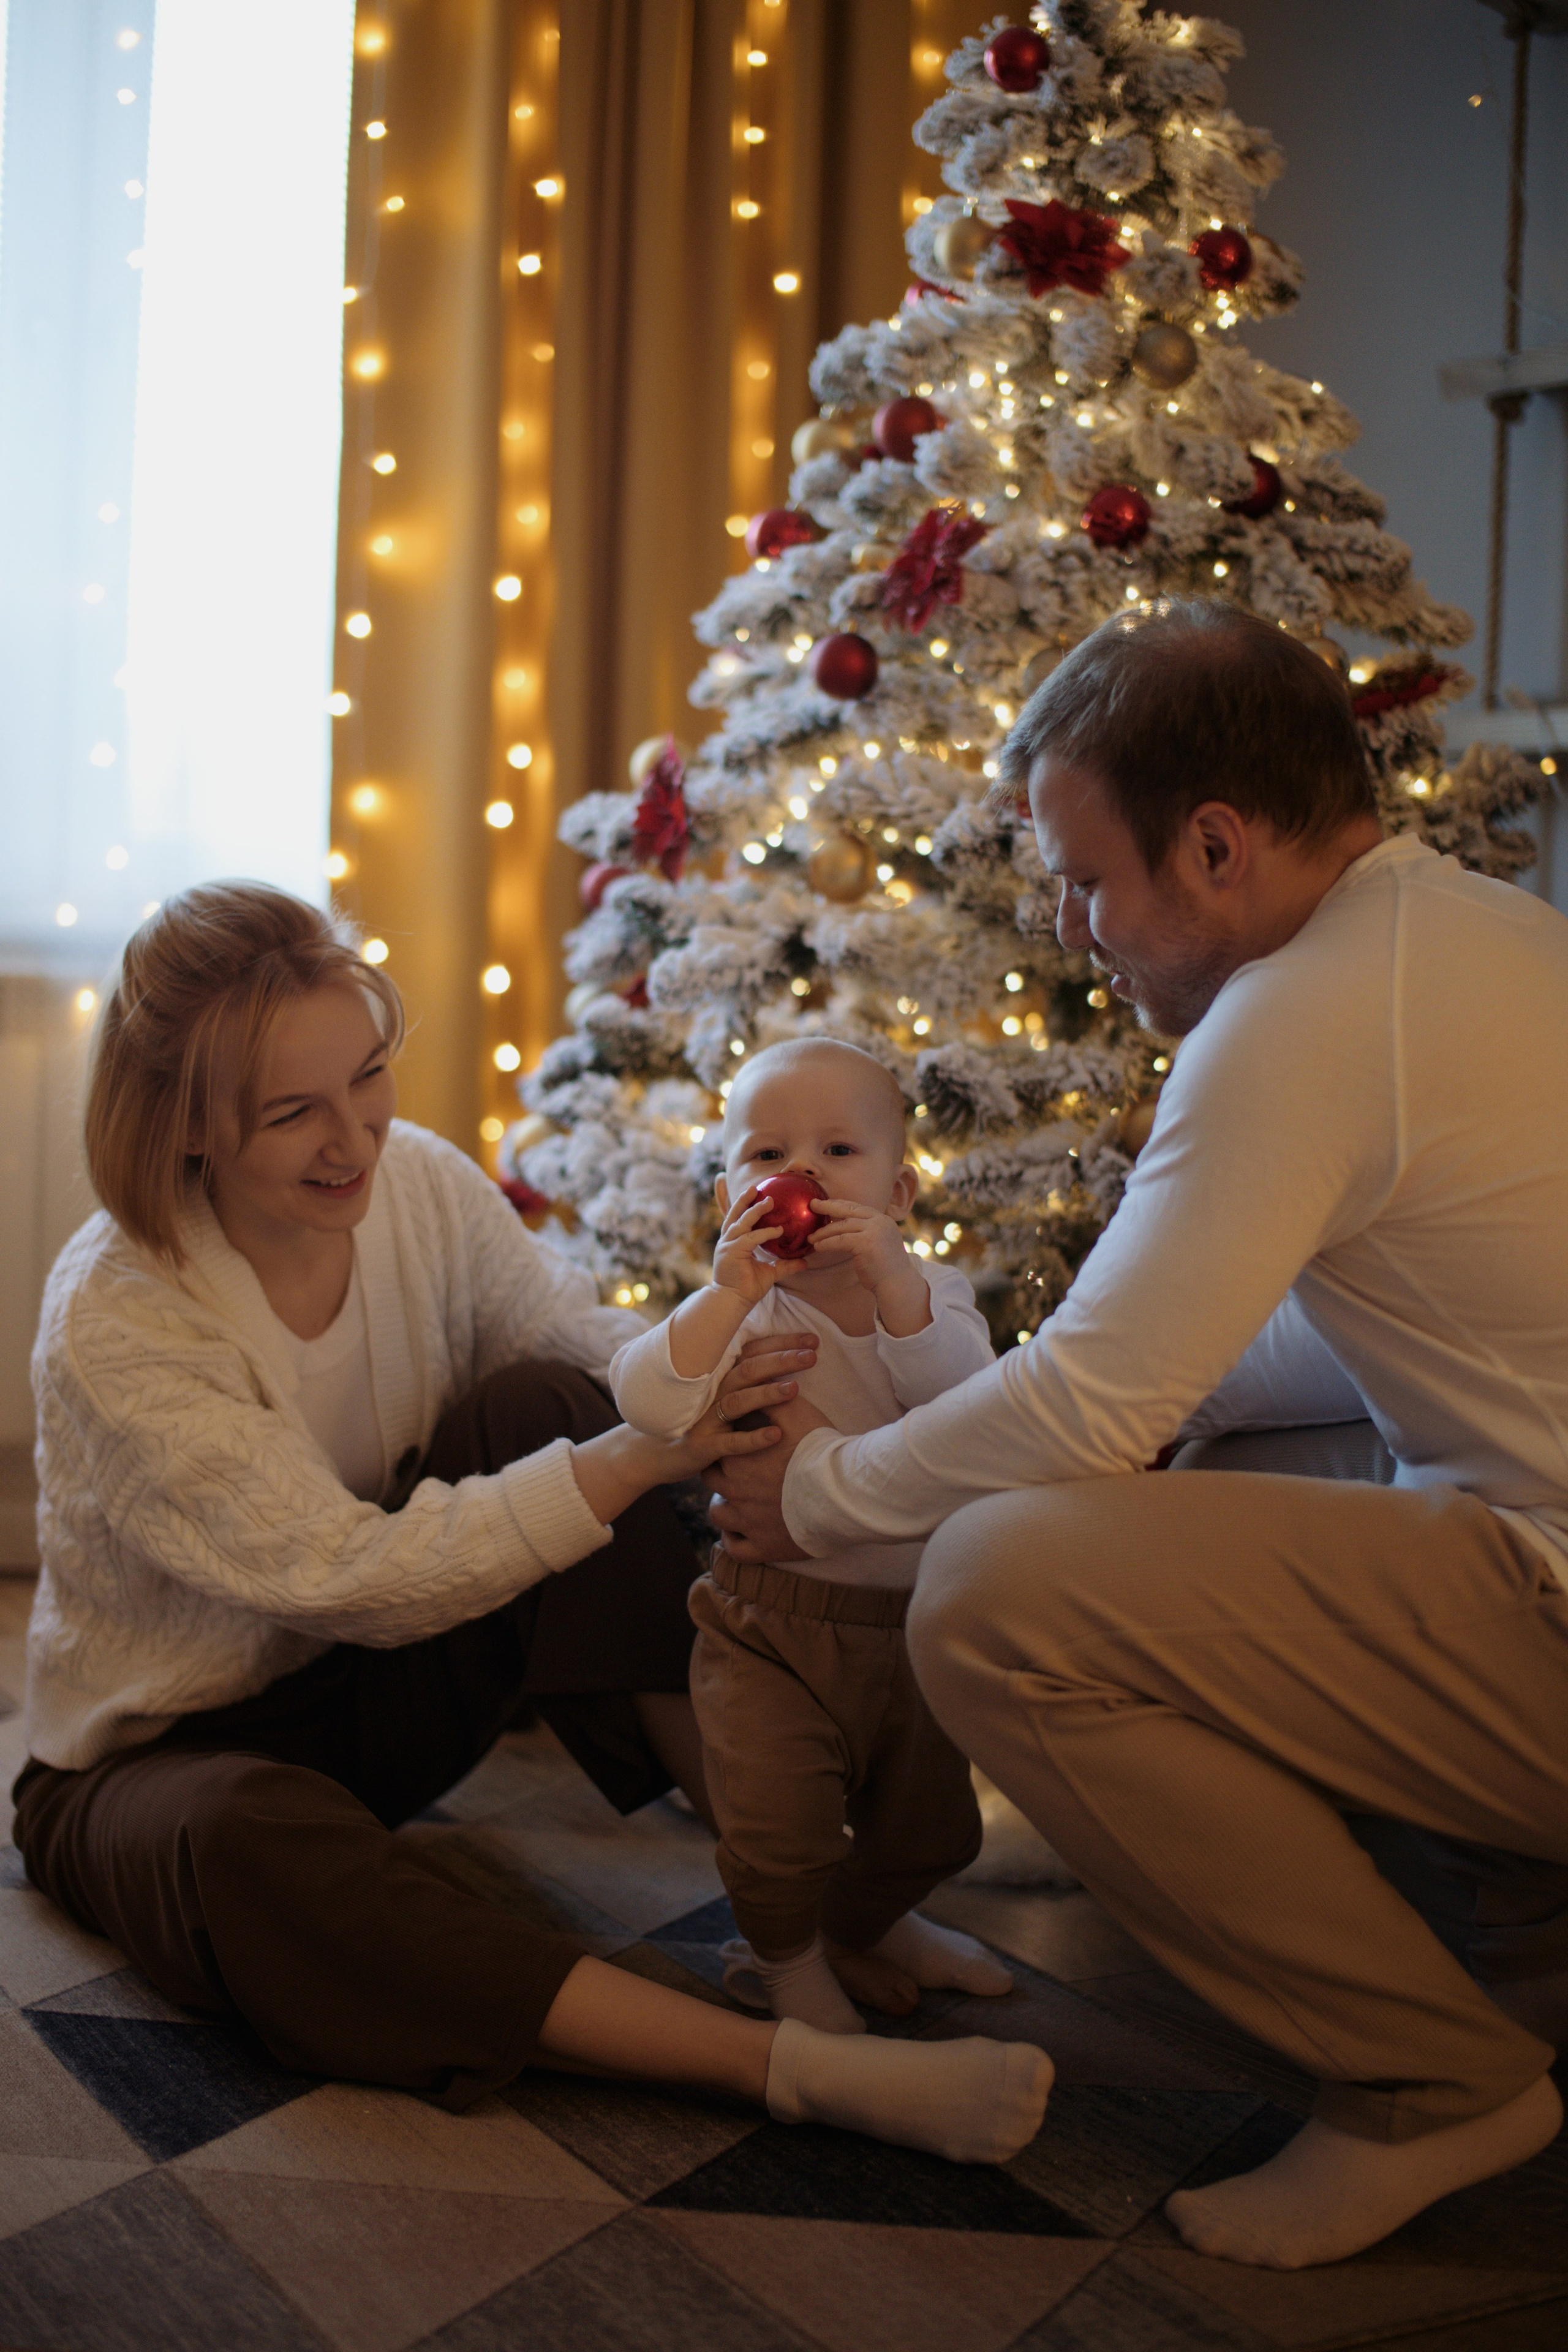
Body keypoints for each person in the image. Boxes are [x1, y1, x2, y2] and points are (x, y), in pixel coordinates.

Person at [706, 601, 1568, 2266]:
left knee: (993, 1592)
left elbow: (1096, 1399)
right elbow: (1414, 1315)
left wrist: (819, 1496)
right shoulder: (1475, 934)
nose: (1078, 927)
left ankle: (1428, 2083)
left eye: (1092, 880)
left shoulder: (1297, 1015)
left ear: (1218, 845)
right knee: (1215, 1467)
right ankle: (1530, 1946)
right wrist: (1175, 1407)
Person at [12, 881, 1052, 2168]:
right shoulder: (120, 1316)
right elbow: (338, 1577)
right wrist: (633, 1457)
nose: (354, 1140)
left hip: (384, 1694)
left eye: (368, 1079)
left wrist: (747, 1375)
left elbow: (588, 1350)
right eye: (293, 1113)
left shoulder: (424, 1190)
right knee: (250, 1843)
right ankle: (788, 2066)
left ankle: (805, 1899)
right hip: (160, 1756)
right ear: (183, 1127)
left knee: (543, 1399)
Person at [609, 1036, 1011, 2034]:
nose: (799, 1176)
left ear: (902, 1192)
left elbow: (966, 1404)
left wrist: (894, 1284)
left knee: (927, 1827)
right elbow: (646, 1397)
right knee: (777, 1825)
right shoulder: (742, 1313)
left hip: (915, 1620)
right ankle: (787, 1963)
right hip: (768, 1617)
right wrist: (723, 1297)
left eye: (838, 1151)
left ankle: (874, 1922)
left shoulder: (932, 1296)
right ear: (726, 1199)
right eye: (766, 1155)